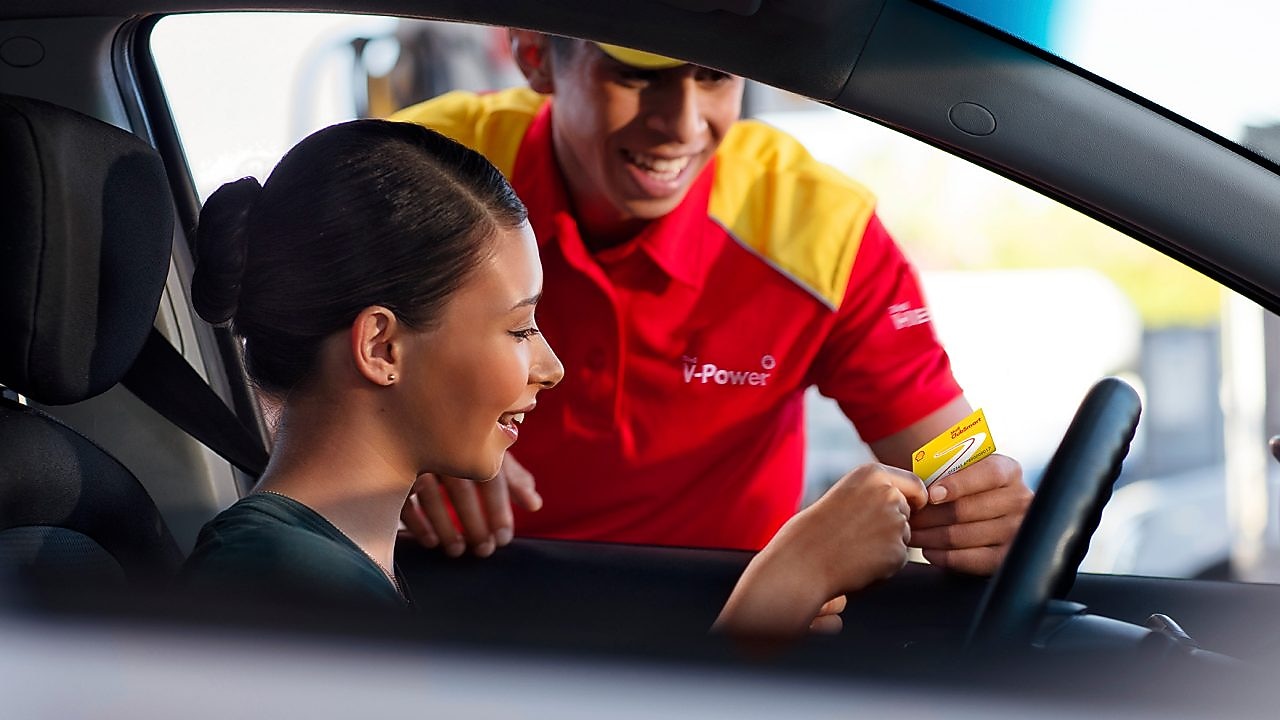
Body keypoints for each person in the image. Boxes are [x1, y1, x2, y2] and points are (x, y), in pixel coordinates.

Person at [179, 118, 929, 636]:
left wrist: (972, 468)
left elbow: (948, 433)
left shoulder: (329, 564)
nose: (552, 366)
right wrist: (766, 612)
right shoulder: (275, 581)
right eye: (517, 329)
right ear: (380, 346)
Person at [389, 34, 1031, 574]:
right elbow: (293, 392)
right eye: (638, 73)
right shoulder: (416, 172)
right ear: (535, 54)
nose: (683, 124)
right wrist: (395, 440)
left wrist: (987, 507)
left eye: (715, 74)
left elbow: (955, 467)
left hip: (729, 639)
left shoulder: (818, 229)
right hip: (441, 617)